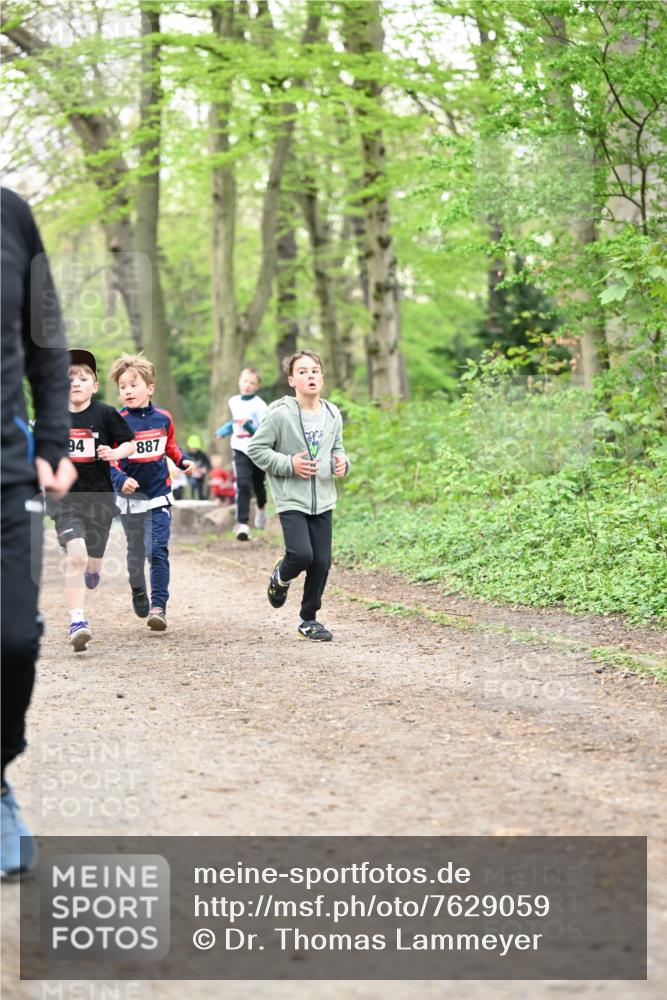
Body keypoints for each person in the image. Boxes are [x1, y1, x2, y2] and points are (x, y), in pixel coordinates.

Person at [1, 187, 76, 877]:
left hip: (7, 477)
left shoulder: (11, 215)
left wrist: (53, 436)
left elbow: (46, 339)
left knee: (15, 638)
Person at [247, 351, 349, 641]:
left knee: (322, 562)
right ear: (292, 380)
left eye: (315, 371)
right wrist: (289, 464)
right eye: (302, 372)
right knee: (301, 554)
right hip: (291, 496)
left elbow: (337, 448)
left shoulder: (332, 413)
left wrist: (342, 462)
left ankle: (309, 619)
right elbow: (257, 450)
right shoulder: (280, 414)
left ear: (322, 377)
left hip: (324, 498)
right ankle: (281, 576)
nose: (310, 376)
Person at [52, 349, 135, 651]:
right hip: (66, 500)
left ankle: (94, 570)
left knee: (91, 563)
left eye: (83, 378)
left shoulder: (105, 414)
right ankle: (77, 621)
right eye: (69, 378)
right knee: (76, 557)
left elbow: (129, 442)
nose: (76, 383)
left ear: (95, 386)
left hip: (99, 499)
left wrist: (115, 453)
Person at [109, 352, 196, 631]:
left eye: (133, 385)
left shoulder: (164, 418)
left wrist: (182, 461)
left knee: (156, 550)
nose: (128, 391)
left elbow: (169, 445)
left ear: (150, 388)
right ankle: (138, 589)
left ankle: (159, 607)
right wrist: (120, 479)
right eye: (123, 387)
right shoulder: (116, 422)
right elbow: (109, 460)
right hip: (130, 498)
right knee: (136, 551)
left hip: (159, 494)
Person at [216, 367, 268, 540]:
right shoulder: (233, 401)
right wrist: (223, 431)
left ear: (257, 386)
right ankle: (243, 524)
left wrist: (250, 427)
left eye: (252, 383)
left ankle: (261, 508)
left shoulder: (260, 405)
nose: (247, 385)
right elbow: (235, 422)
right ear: (239, 381)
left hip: (257, 450)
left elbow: (264, 432)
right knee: (243, 485)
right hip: (239, 448)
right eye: (245, 381)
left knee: (258, 485)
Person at [186, 434, 211, 500]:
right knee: (192, 486)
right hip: (190, 476)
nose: (194, 449)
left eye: (195, 448)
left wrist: (205, 469)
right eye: (192, 448)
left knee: (200, 490)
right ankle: (191, 498)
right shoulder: (187, 455)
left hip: (200, 477)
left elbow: (208, 465)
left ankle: (202, 498)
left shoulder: (202, 455)